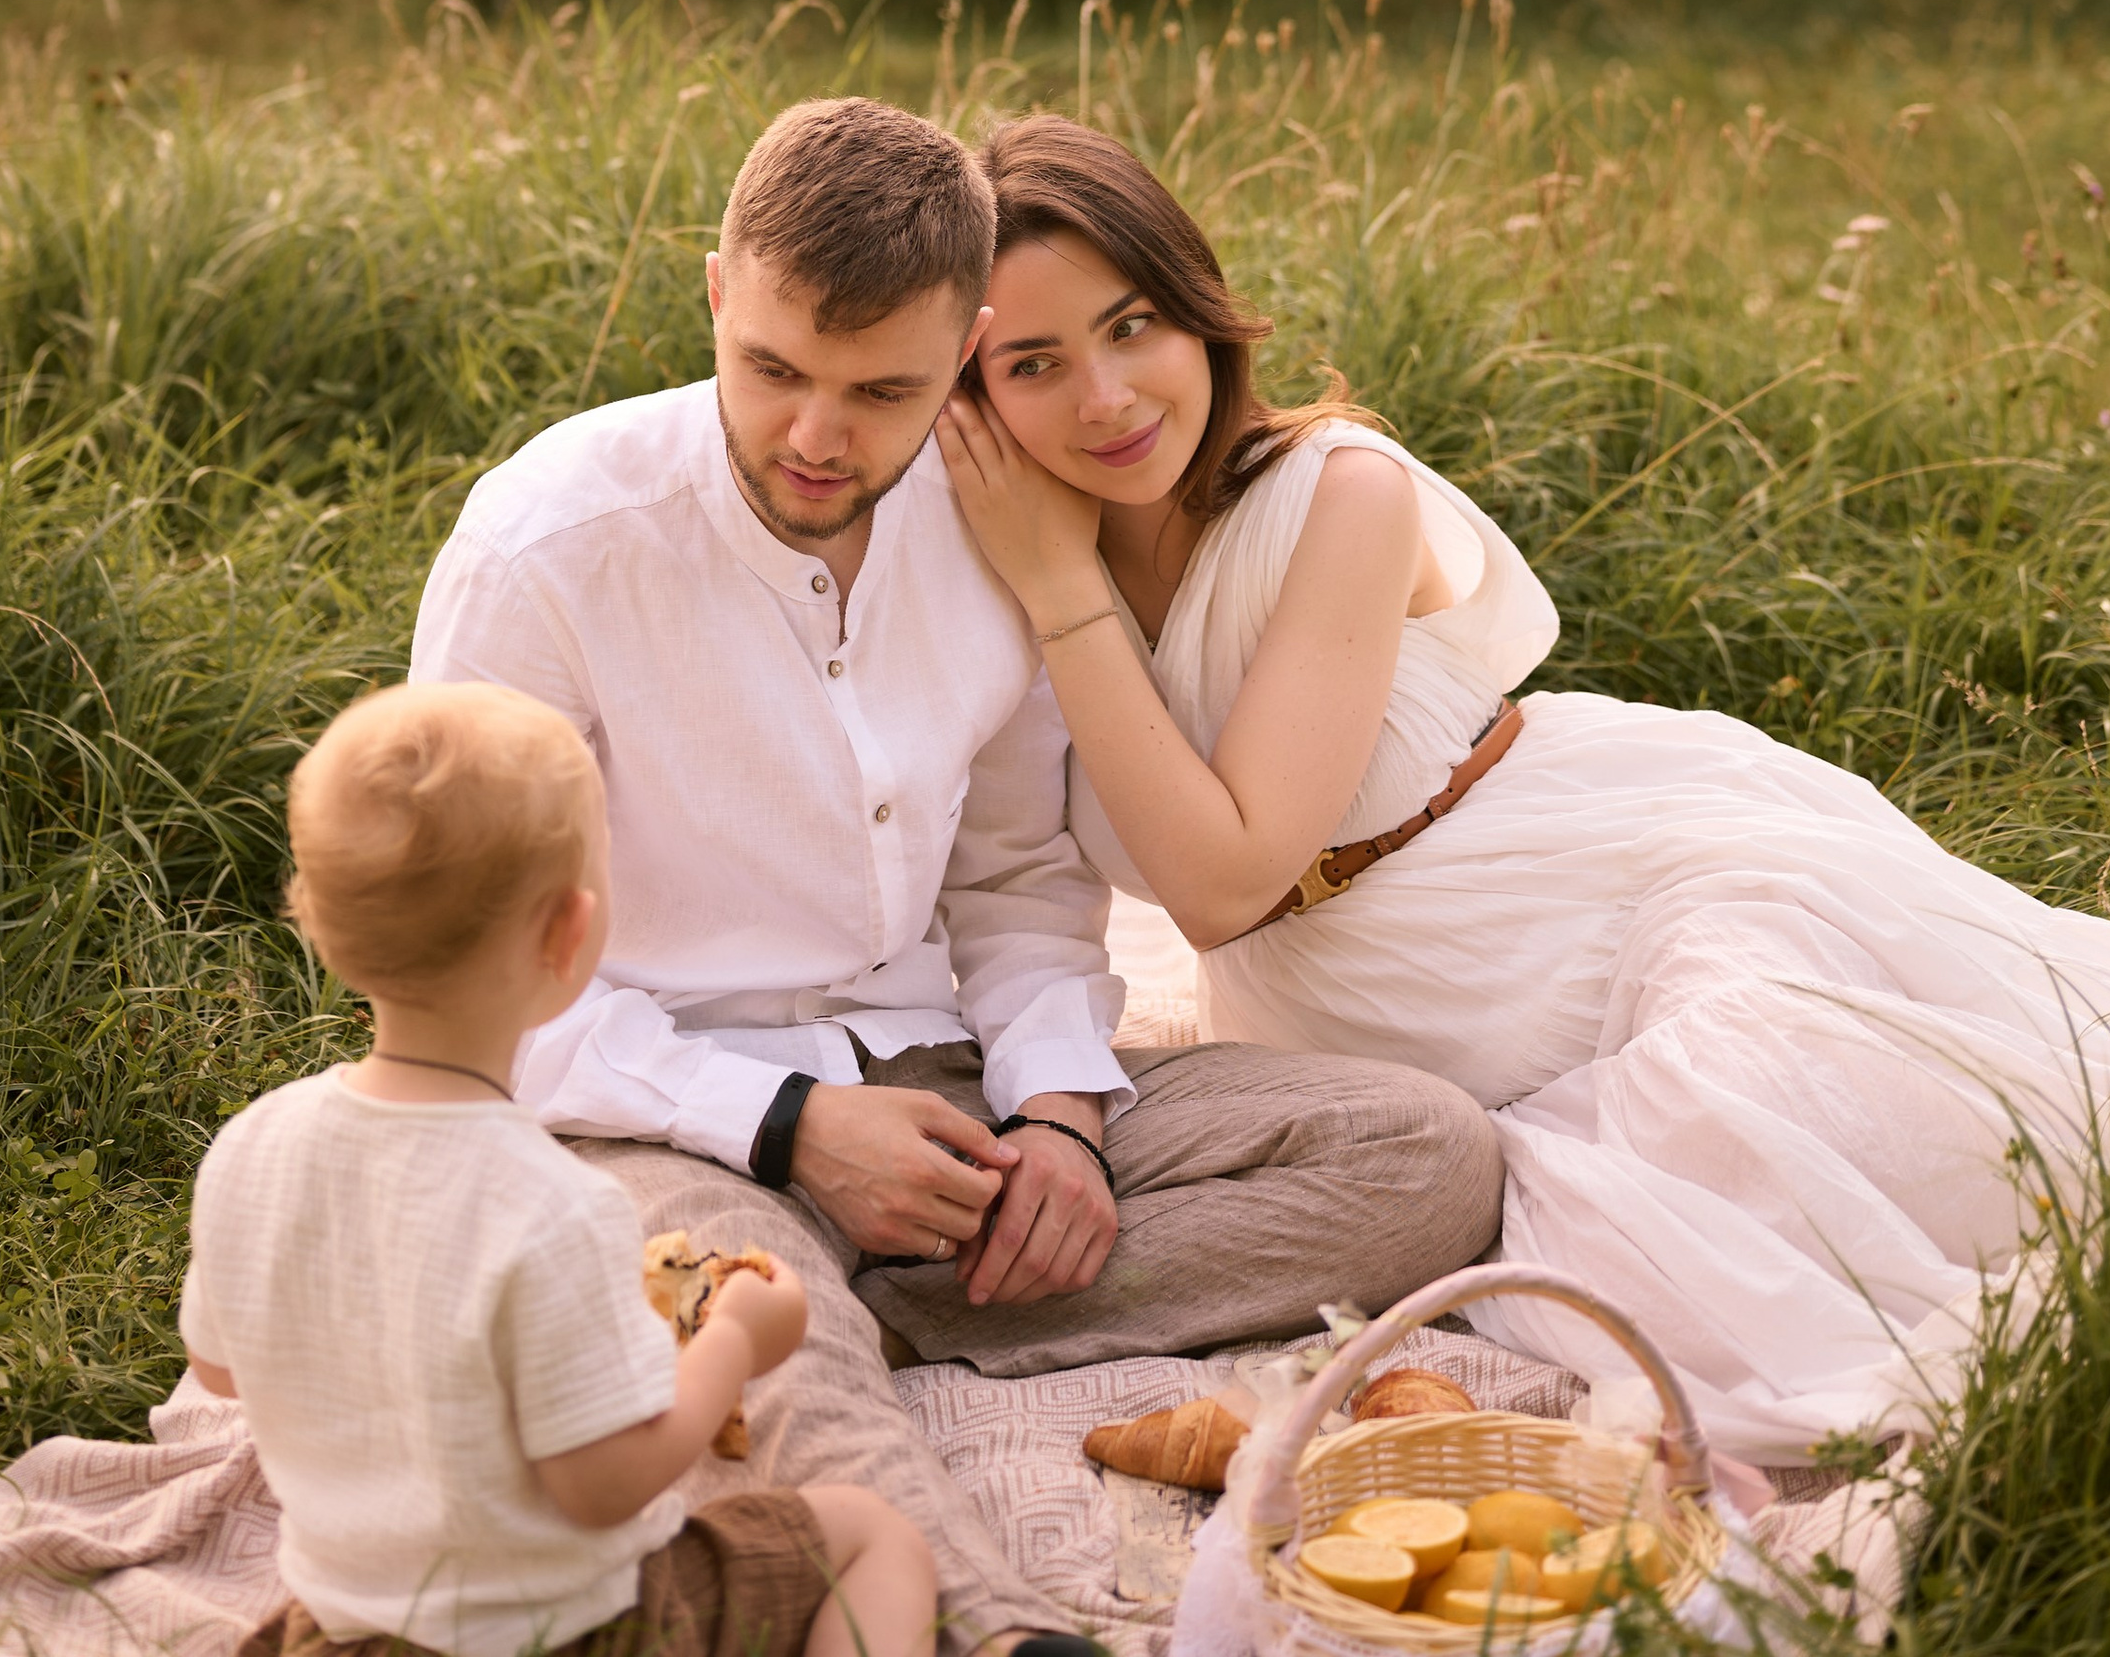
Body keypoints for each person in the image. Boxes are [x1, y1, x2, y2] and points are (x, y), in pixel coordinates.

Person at [935, 113, 2110, 1463]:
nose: (1106, 398)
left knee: (1817, 1129)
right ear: (970, 398)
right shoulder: (993, 563)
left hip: (1580, 889)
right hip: (1369, 1016)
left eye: (1131, 328)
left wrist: (1063, 594)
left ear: (1198, 313)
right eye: (1036, 364)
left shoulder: (1336, 495)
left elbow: (1223, 884)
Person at [409, 95, 1503, 1651]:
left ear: (967, 342)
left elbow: (1012, 879)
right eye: (773, 369)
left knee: (1425, 1155)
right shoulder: (546, 550)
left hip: (952, 1086)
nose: (815, 437)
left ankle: (825, 1318)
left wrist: (1059, 1113)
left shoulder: (992, 518)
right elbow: (473, 988)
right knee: (750, 1322)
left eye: (883, 391)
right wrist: (789, 1131)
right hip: (664, 1107)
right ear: (717, 291)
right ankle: (984, 1622)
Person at [186, 678, 936, 1657]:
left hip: (346, 1627)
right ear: (571, 933)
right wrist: (728, 1343)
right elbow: (604, 1483)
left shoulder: (254, 1145)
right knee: (867, 1532)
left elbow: (221, 1365)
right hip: (575, 1628)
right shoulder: (555, 1202)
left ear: (320, 924)